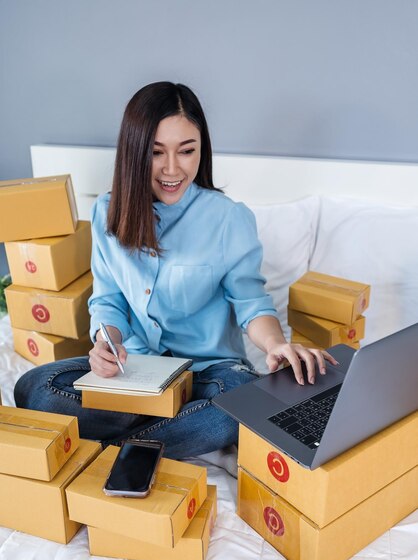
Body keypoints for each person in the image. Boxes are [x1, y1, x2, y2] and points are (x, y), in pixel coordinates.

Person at [14, 81, 336, 459]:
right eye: (156, 153)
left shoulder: (228, 218)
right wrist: (107, 342)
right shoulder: (107, 213)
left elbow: (252, 303)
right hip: (133, 372)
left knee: (237, 406)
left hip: (211, 374)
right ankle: (169, 434)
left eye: (187, 151)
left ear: (202, 149)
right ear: (134, 153)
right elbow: (108, 300)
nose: (172, 169)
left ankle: (116, 454)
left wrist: (276, 344)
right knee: (35, 388)